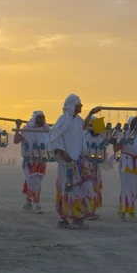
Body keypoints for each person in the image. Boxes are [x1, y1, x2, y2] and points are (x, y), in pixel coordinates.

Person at [48, 94, 101, 230]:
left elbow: (83, 126)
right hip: (67, 163)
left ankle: (78, 217)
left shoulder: (77, 120)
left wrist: (90, 113)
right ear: (73, 105)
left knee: (84, 188)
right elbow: (54, 136)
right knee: (68, 189)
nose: (81, 106)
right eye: (80, 104)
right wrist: (62, 152)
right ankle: (64, 219)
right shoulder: (63, 120)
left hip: (79, 161)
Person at [14, 111, 48, 214]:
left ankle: (27, 203)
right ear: (35, 119)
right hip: (29, 162)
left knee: (35, 183)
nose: (42, 119)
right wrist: (18, 127)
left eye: (43, 117)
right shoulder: (27, 130)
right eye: (39, 117)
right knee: (34, 183)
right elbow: (16, 140)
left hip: (42, 162)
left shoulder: (46, 130)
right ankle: (37, 205)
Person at [117, 116, 137, 222]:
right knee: (127, 188)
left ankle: (122, 210)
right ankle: (131, 213)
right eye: (136, 123)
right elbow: (116, 148)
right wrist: (121, 142)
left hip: (136, 163)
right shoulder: (125, 134)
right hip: (126, 162)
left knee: (135, 189)